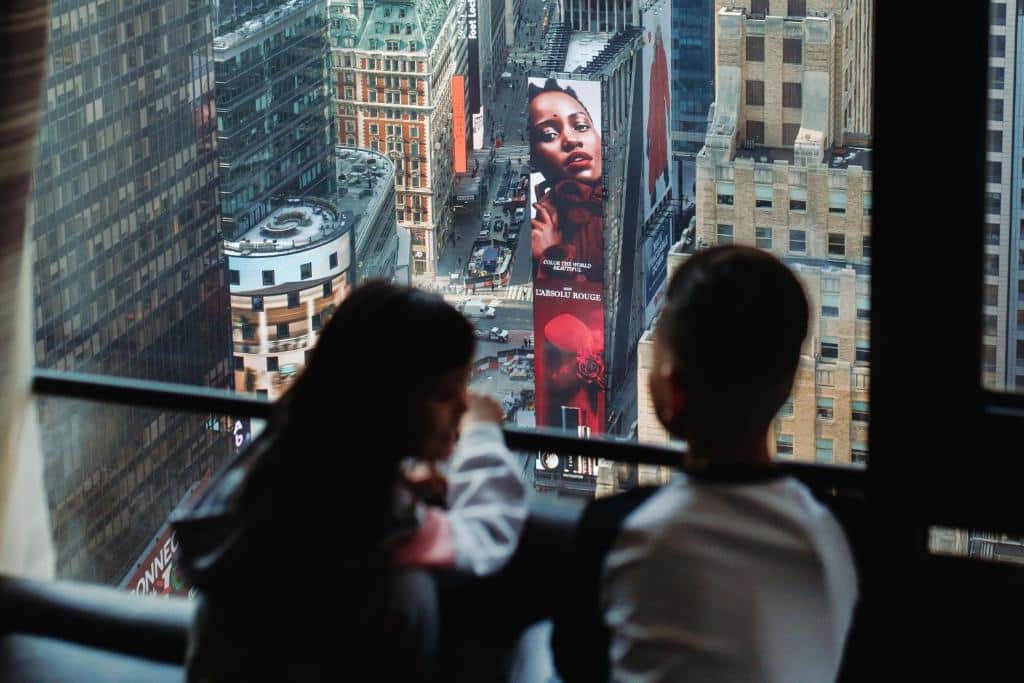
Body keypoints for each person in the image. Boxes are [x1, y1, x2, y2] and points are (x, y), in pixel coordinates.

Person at [176, 281, 528, 682]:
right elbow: (486, 535)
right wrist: (481, 432)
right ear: (385, 405)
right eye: (446, 395)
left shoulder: (269, 476)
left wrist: (397, 477)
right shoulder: (375, 525)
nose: (463, 405)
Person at [550, 246, 859, 682]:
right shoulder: (832, 532)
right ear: (789, 383)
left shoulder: (619, 528)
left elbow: (576, 664)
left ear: (672, 392)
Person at [526, 78, 603, 283]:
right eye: (549, 135)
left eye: (581, 126)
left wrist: (551, 254)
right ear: (532, 159)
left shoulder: (626, 198)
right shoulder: (545, 220)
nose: (571, 140)